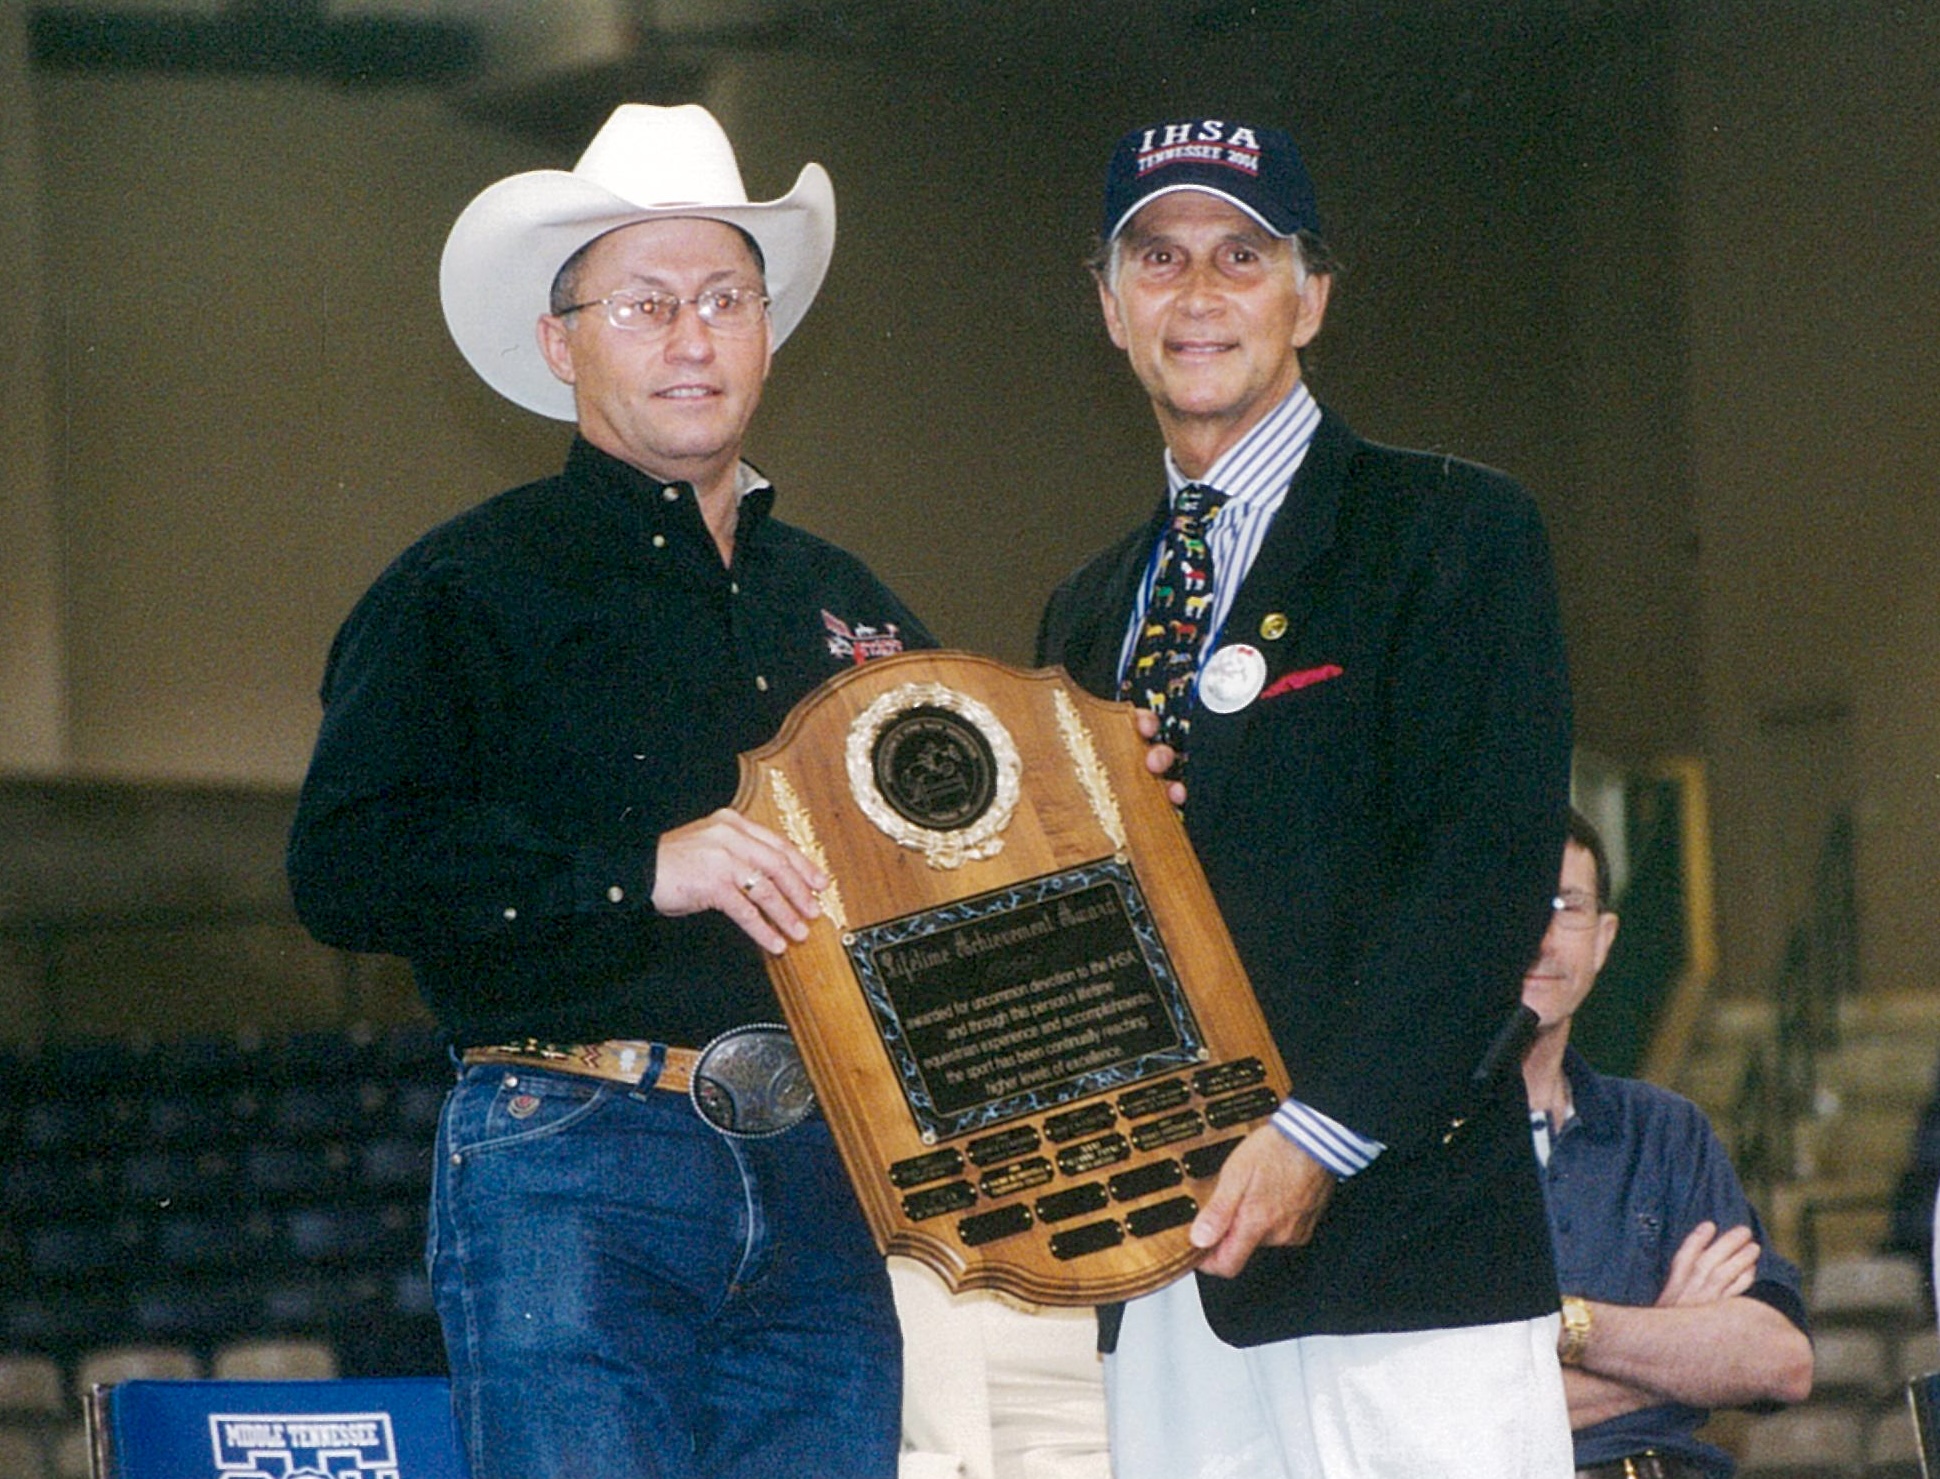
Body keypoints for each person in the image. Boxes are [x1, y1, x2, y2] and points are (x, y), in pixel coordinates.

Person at [286, 103, 934, 1479]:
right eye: (643, 303)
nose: (690, 337)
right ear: (558, 340)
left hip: (827, 1172)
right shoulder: (460, 589)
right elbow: (344, 863)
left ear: (768, 329)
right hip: (575, 1161)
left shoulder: (849, 602)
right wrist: (639, 865)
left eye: (722, 298)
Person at [1036, 115, 1577, 1479]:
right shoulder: (1090, 609)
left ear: (1311, 294)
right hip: (1165, 1269)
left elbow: (1488, 865)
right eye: (1157, 258)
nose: (1199, 292)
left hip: (1406, 1251)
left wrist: (1318, 1134)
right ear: (1107, 306)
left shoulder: (1450, 529)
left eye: (1242, 253)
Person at [1522, 810, 1812, 1479]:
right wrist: (1676, 1342)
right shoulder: (1417, 1145)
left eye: (1569, 906)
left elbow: (1781, 1360)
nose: (1543, 937)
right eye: (1520, 901)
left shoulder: (1663, 1129)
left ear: (1603, 939)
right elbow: (1437, 1412)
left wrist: (1574, 1325)